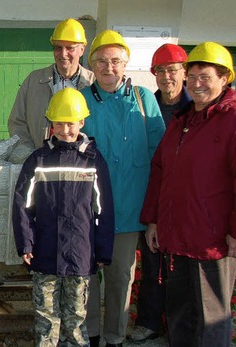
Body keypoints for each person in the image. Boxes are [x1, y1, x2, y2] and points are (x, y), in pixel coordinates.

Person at [140, 41, 236, 347]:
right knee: (179, 313)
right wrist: (153, 221)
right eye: (192, 77)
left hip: (212, 241)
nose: (196, 84)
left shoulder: (232, 120)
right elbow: (159, 172)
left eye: (205, 77)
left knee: (211, 317)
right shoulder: (181, 121)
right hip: (176, 239)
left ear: (224, 79)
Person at [81, 30, 165, 347]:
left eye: (115, 60)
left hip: (130, 208)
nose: (108, 67)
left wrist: (155, 210)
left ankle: (114, 337)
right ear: (93, 64)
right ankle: (90, 334)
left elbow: (160, 156)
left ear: (126, 63)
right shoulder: (82, 100)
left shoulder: (144, 100)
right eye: (101, 60)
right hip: (89, 208)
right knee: (87, 277)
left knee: (120, 278)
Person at [12, 88, 115, 347]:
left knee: (76, 317)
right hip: (45, 251)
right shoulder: (39, 160)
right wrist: (25, 244)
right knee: (46, 315)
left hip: (80, 253)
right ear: (51, 123)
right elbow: (22, 206)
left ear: (82, 122)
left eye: (70, 123)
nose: (65, 129)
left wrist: (102, 251)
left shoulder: (92, 160)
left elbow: (103, 209)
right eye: (59, 122)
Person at [128, 43, 190, 344]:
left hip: (190, 199)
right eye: (161, 71)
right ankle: (150, 320)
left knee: (186, 266)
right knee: (153, 262)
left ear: (185, 73)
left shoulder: (198, 108)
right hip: (154, 194)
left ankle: (182, 325)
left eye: (173, 70)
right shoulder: (145, 108)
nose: (167, 77)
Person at [8, 18, 95, 152]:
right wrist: (28, 151)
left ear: (82, 49)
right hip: (39, 160)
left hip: (80, 163)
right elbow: (17, 122)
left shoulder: (93, 84)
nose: (63, 54)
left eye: (70, 48)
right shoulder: (33, 81)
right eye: (58, 48)